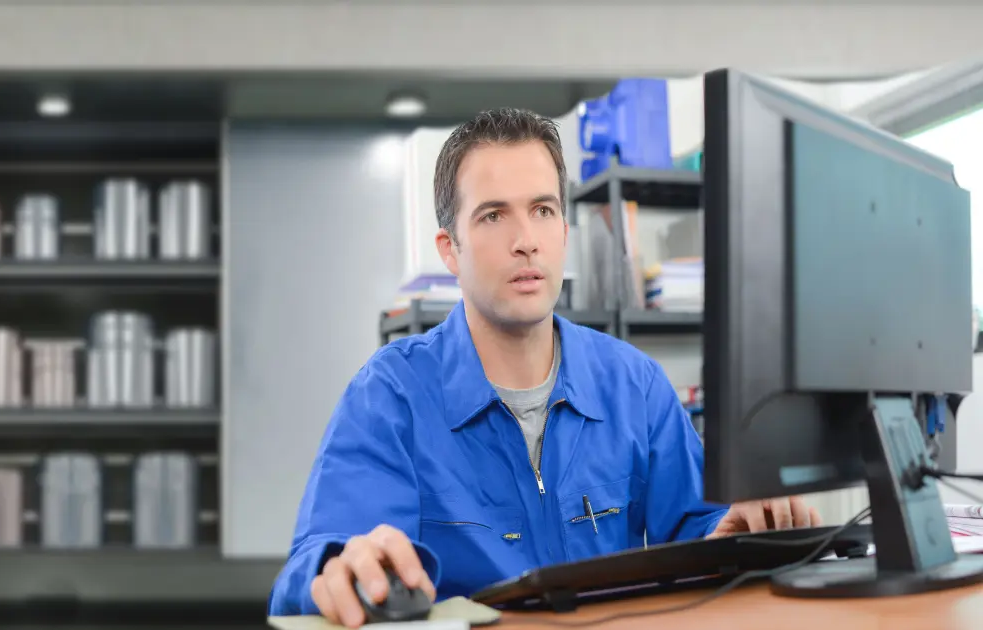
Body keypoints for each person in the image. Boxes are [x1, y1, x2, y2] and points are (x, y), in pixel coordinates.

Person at [267, 108, 822, 627]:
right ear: (450, 250)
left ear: (563, 233)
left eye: (543, 210)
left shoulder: (634, 384)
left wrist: (733, 532)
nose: (525, 241)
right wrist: (338, 567)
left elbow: (700, 526)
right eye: (492, 215)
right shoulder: (390, 397)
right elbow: (317, 563)